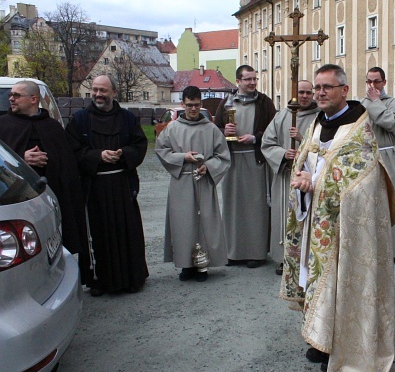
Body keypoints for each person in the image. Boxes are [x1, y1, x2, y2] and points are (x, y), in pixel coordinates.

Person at [280, 64, 395, 372]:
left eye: (327, 87)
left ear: (344, 90)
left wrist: (316, 184)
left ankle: (343, 347)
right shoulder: (319, 123)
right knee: (317, 281)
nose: (319, 93)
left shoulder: (360, 127)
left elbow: (365, 178)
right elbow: (310, 161)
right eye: (317, 87)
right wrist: (303, 176)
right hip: (318, 221)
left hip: (347, 228)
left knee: (342, 282)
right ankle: (321, 338)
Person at [66, 75, 149, 297]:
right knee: (99, 235)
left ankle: (132, 278)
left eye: (103, 90)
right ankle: (100, 281)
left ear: (114, 92)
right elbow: (72, 151)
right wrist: (98, 156)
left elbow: (139, 145)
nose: (98, 95)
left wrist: (124, 154)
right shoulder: (80, 120)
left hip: (122, 184)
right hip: (95, 188)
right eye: (94, 90)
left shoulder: (128, 119)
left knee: (126, 232)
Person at [0, 80, 90, 281]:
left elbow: (67, 163)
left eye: (16, 95)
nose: (11, 98)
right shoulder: (3, 126)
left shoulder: (52, 127)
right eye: (11, 95)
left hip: (53, 198)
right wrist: (22, 160)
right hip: (18, 202)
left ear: (33, 99)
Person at [155, 86, 231, 282]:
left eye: (196, 105)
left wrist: (208, 166)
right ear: (182, 104)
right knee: (183, 223)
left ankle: (203, 265)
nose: (193, 109)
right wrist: (183, 157)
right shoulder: (172, 128)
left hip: (203, 180)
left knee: (205, 221)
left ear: (201, 104)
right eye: (189, 105)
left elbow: (223, 156)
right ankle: (186, 264)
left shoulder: (211, 129)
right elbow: (161, 150)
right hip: (182, 180)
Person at [214, 65, 277, 268]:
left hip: (255, 158)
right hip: (232, 159)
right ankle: (233, 252)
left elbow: (274, 129)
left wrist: (255, 137)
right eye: (247, 79)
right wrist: (225, 131)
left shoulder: (265, 103)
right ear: (238, 81)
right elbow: (215, 130)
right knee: (233, 207)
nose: (252, 83)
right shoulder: (226, 104)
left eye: (254, 79)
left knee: (255, 207)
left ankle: (256, 253)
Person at [261, 80, 319, 276]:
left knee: (307, 217)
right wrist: (283, 154)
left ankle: (306, 259)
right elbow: (267, 143)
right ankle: (283, 258)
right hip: (286, 176)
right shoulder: (282, 116)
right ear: (294, 94)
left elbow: (326, 146)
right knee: (284, 217)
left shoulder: (320, 117)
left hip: (309, 178)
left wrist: (303, 140)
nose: (304, 96)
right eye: (301, 92)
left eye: (308, 93)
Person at [360, 67, 395, 259]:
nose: (373, 86)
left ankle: (394, 249)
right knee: (367, 202)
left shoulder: (392, 103)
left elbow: (390, 122)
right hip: (366, 156)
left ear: (384, 82)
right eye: (369, 81)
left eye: (377, 81)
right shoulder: (361, 103)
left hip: (386, 156)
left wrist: (375, 102)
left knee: (390, 201)